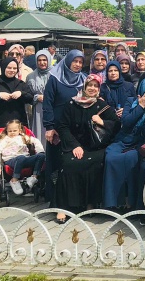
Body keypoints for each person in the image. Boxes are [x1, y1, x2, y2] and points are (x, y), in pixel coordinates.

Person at [54, 74, 119, 222]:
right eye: (90, 85)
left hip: (95, 146)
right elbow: (63, 126)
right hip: (74, 145)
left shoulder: (102, 106)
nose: (92, 88)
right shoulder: (72, 104)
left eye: (96, 86)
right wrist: (74, 145)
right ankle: (63, 207)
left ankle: (90, 203)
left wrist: (102, 122)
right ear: (84, 86)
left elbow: (116, 125)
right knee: (69, 164)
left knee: (94, 163)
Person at [103, 78, 145, 211]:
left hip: (139, 141)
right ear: (141, 91)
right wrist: (140, 106)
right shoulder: (131, 101)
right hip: (123, 139)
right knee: (110, 157)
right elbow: (126, 122)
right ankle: (112, 202)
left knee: (131, 159)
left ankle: (129, 202)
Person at [42, 50, 87, 202]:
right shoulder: (54, 79)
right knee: (57, 163)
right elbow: (47, 104)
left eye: (80, 62)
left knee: (72, 162)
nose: (77, 65)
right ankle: (55, 198)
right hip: (56, 128)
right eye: (75, 61)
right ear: (68, 61)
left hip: (76, 129)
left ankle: (74, 197)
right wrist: (49, 127)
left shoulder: (84, 79)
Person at [0, 119, 45, 195]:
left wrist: (39, 150)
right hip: (11, 160)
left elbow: (36, 141)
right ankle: (14, 179)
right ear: (7, 131)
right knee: (21, 157)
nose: (12, 133)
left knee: (41, 156)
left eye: (14, 130)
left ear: (19, 131)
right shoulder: (4, 140)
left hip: (25, 159)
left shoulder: (23, 137)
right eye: (10, 131)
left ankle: (34, 177)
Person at [0, 57, 34, 128]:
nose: (12, 70)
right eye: (9, 68)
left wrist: (22, 94)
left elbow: (31, 99)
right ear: (3, 68)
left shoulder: (21, 84)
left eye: (14, 68)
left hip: (19, 124)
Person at [27, 50, 53, 147]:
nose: (42, 62)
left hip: (52, 108)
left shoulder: (56, 74)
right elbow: (27, 95)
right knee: (39, 134)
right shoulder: (30, 76)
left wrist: (49, 97)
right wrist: (36, 97)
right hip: (37, 110)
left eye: (45, 60)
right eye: (39, 60)